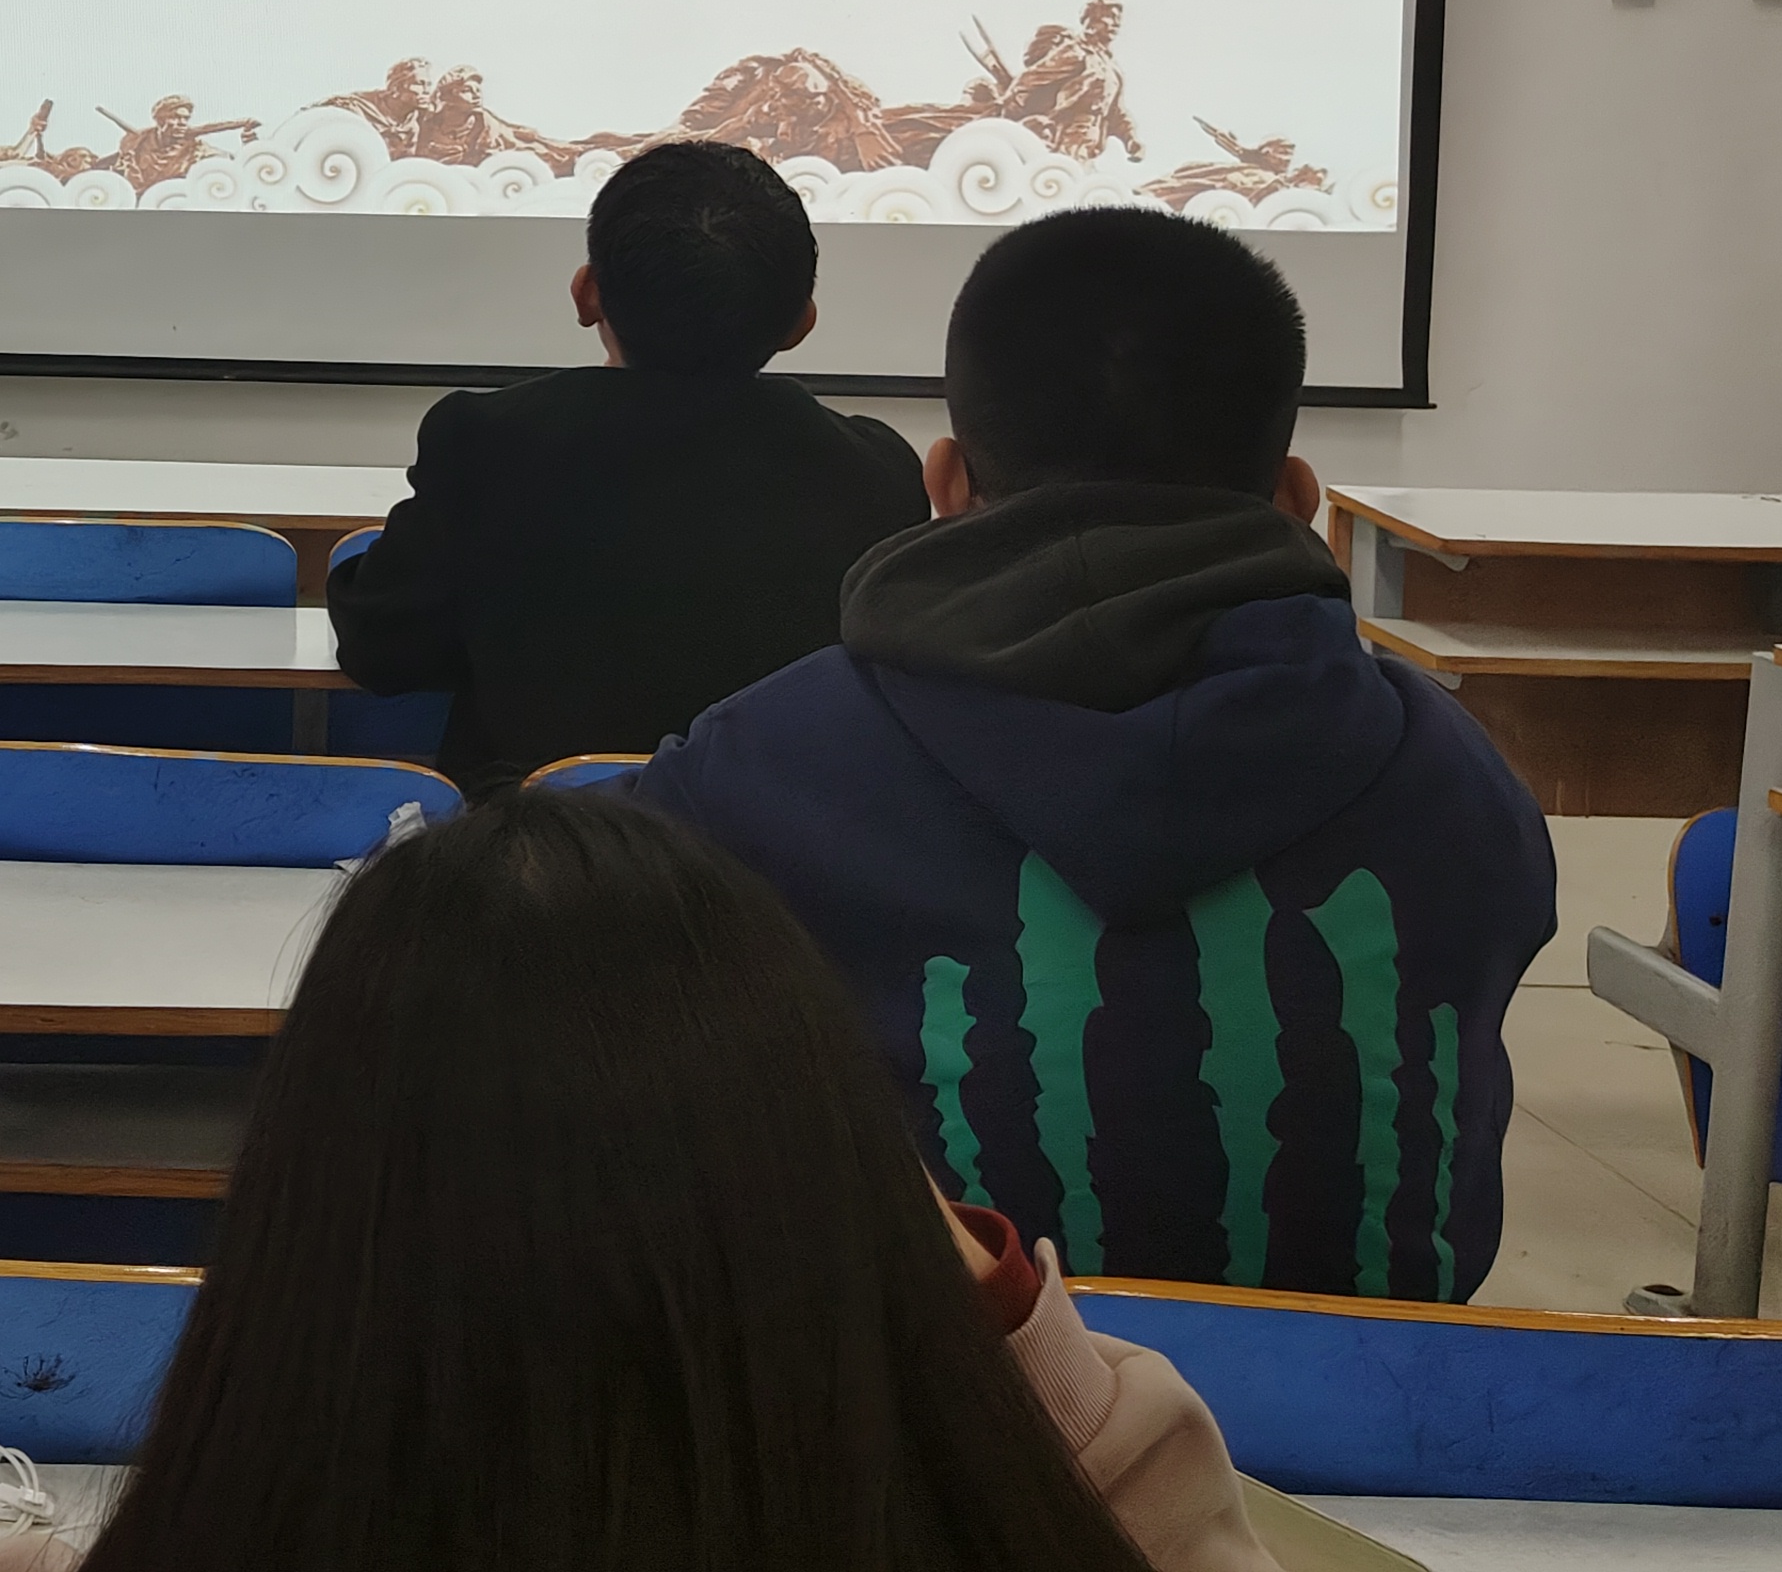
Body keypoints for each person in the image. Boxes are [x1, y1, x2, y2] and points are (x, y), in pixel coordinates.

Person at [626, 206, 1553, 1299]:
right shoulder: (1454, 778)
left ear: (945, 483)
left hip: (926, 1395)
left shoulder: (747, 770)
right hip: (1385, 1398)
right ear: (1297, 499)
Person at [60, 791, 1276, 1572]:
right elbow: (1109, 1485)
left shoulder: (262, 1487)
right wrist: (985, 1301)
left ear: (304, 1200)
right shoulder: (1018, 1498)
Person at [328, 137, 927, 790]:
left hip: (535, 844)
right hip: (783, 844)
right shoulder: (879, 472)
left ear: (586, 294)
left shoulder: (486, 441)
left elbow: (381, 651)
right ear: (800, 324)